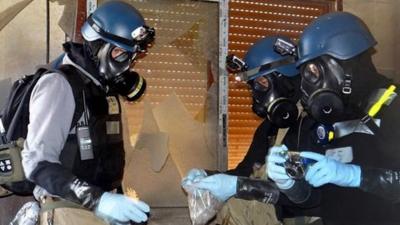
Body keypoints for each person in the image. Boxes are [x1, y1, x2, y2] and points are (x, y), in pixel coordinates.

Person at [14, 1, 155, 224]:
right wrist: (99, 201)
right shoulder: (59, 86)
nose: (126, 65)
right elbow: (36, 163)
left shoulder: (101, 88)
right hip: (66, 206)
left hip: (98, 205)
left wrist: (112, 200)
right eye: (119, 54)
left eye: (130, 57)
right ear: (97, 46)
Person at [267, 12, 400, 225]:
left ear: (347, 63)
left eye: (313, 72)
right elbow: (314, 199)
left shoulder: (394, 107)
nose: (305, 87)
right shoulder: (328, 121)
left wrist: (354, 176)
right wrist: (289, 183)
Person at [182, 36, 301, 224]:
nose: (255, 93)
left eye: (262, 83)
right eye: (252, 85)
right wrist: (208, 177)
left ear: (285, 80)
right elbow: (245, 172)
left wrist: (240, 187)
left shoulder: (313, 126)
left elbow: (302, 197)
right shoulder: (268, 128)